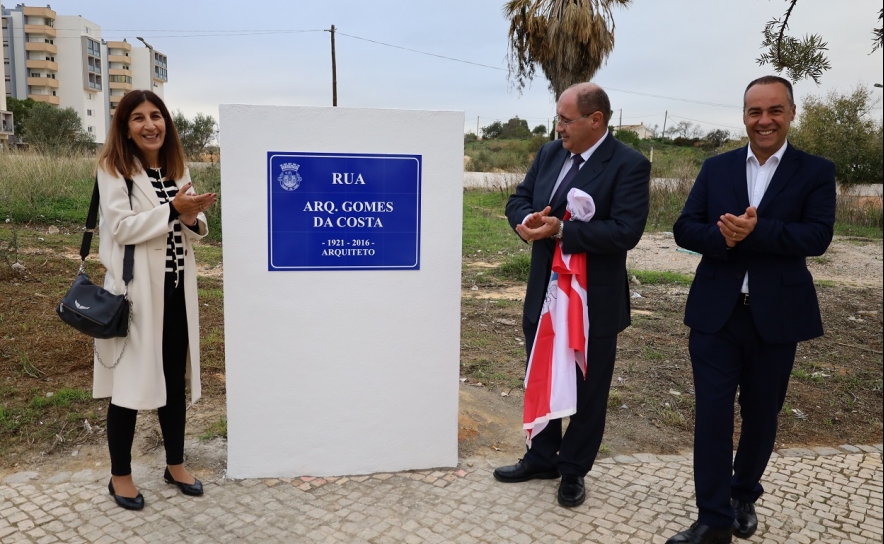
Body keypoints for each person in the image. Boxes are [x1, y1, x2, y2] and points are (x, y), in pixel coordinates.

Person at [667, 76, 836, 544]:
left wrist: (756, 232)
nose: (763, 121)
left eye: (774, 111)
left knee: (762, 415)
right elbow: (684, 228)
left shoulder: (816, 170)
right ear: (743, 115)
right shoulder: (716, 167)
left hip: (777, 317)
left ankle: (743, 495)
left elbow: (817, 237)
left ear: (791, 113)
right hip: (716, 314)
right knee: (714, 415)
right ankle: (713, 519)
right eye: (754, 112)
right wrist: (721, 237)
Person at [496, 82, 650, 507]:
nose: (558, 127)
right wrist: (524, 220)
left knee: (589, 386)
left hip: (592, 300)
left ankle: (573, 469)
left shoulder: (629, 164)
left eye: (566, 120)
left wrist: (564, 230)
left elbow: (626, 232)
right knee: (541, 371)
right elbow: (519, 198)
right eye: (558, 119)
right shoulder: (550, 153)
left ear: (595, 120)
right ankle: (541, 456)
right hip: (543, 292)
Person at [94, 90, 217, 510]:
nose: (150, 125)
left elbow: (196, 224)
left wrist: (190, 215)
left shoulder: (175, 166)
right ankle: (120, 475)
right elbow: (123, 228)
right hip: (135, 294)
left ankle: (175, 463)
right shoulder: (114, 169)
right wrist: (172, 210)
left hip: (177, 292)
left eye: (157, 116)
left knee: (173, 381)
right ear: (125, 128)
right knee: (127, 386)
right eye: (139, 118)